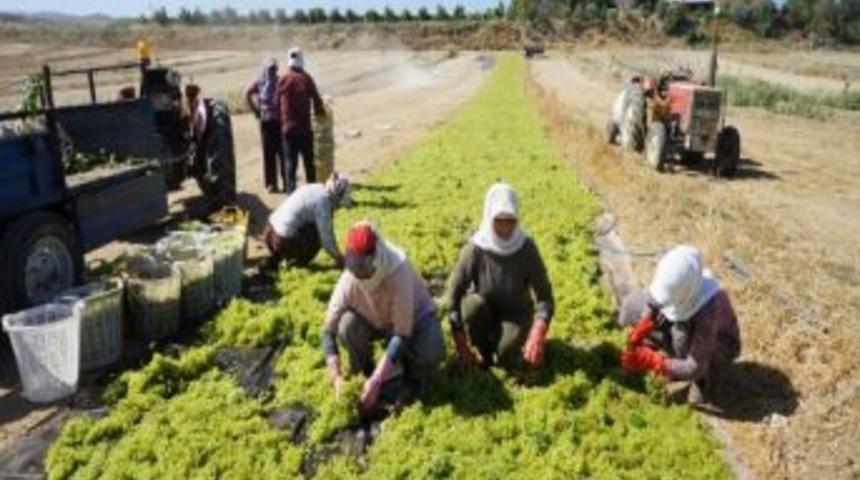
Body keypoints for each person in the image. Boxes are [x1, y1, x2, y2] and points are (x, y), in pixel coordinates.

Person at [322, 222, 445, 410]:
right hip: (376, 320)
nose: (361, 274)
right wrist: (336, 376)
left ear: (376, 255)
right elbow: (327, 332)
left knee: (431, 344)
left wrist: (378, 380)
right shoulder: (350, 279)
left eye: (365, 267)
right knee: (347, 326)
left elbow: (402, 334)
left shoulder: (398, 270)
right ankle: (364, 372)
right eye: (355, 268)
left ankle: (413, 378)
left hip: (413, 321)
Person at [446, 182, 554, 371]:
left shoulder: (526, 248)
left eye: (510, 220)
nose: (505, 228)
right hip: (484, 311)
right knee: (471, 307)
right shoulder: (476, 249)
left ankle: (502, 346)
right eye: (499, 220)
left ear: (517, 218)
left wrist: (537, 334)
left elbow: (545, 297)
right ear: (489, 218)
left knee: (505, 355)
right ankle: (482, 349)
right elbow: (453, 296)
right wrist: (461, 346)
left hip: (516, 314)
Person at [619, 245, 741, 405]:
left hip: (717, 346)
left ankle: (703, 381)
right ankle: (661, 360)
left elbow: (694, 366)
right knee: (633, 305)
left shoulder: (707, 310)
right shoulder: (673, 279)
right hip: (681, 321)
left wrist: (656, 362)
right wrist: (639, 334)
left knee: (681, 341)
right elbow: (653, 302)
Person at [262, 173, 352, 270]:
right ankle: (297, 262)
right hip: (281, 241)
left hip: (269, 232)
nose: (338, 208)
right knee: (316, 233)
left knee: (307, 225)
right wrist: (341, 260)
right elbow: (327, 240)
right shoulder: (323, 204)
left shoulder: (316, 187)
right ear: (336, 196)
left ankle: (278, 257)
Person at [278, 47, 326, 194]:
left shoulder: (283, 78)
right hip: (305, 129)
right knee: (308, 164)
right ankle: (313, 193)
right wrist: (321, 114)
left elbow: (275, 102)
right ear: (302, 60)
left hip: (288, 129)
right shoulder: (306, 78)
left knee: (290, 164)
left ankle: (290, 194)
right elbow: (317, 100)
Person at [245, 58, 284, 193]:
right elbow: (248, 94)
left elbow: (247, 94)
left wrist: (256, 111)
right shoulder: (279, 80)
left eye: (274, 69)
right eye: (271, 69)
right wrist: (256, 111)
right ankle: (283, 183)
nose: (273, 71)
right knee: (280, 152)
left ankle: (272, 184)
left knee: (270, 153)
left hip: (267, 122)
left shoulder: (261, 82)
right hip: (276, 122)